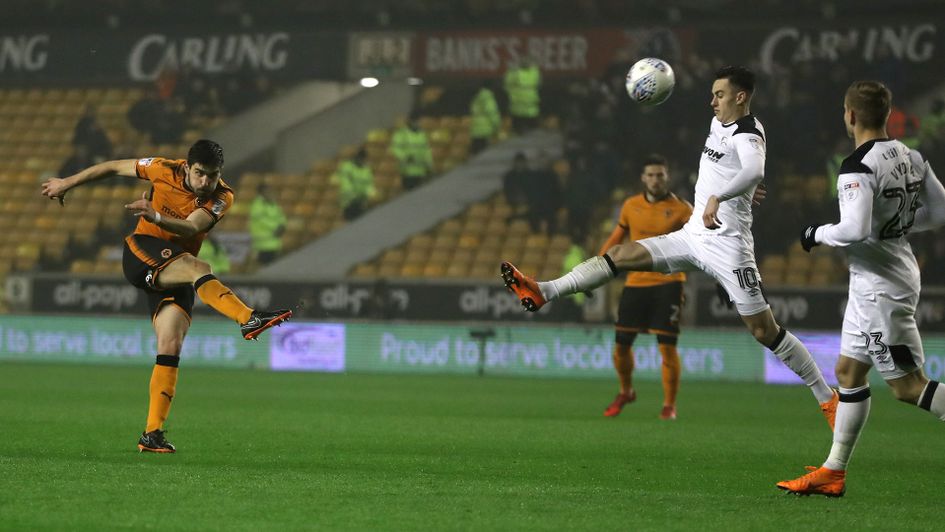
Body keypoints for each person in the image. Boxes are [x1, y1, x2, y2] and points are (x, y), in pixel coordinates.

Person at [501, 66, 839, 427]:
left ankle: (826, 396)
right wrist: (735, 189)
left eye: (720, 95)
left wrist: (720, 197)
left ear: (741, 97)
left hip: (728, 246)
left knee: (764, 331)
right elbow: (735, 171)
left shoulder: (748, 130)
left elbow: (754, 169)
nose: (712, 101)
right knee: (619, 255)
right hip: (693, 236)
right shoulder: (719, 125)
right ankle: (543, 291)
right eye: (712, 94)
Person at [40, 139, 293, 454]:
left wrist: (158, 215)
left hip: (176, 268)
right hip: (142, 251)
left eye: (212, 176)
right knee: (198, 265)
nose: (205, 182)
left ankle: (151, 434)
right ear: (187, 167)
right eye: (200, 173)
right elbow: (112, 166)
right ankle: (247, 317)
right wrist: (67, 183)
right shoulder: (162, 168)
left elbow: (190, 228)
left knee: (170, 342)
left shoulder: (222, 197)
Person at [777, 81, 945, 497]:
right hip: (880, 276)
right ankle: (834, 472)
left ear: (850, 115)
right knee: (848, 373)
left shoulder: (858, 165)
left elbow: (854, 230)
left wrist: (815, 233)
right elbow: (940, 211)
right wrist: (899, 225)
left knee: (909, 387)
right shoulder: (912, 157)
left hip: (881, 289)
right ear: (886, 114)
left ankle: (834, 471)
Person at [599, 154, 693, 420]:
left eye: (660, 175)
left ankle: (669, 406)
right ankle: (626, 391)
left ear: (668, 177)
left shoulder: (683, 210)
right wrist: (597, 269)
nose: (655, 180)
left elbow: (699, 246)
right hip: (636, 282)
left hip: (669, 283)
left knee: (666, 347)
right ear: (642, 178)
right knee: (621, 346)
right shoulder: (630, 206)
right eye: (650, 175)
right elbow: (615, 239)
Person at [389, 113, 433, 191]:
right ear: (410, 122)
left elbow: (426, 151)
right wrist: (405, 157)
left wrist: (429, 165)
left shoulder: (422, 134)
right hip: (407, 170)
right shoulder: (401, 133)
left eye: (418, 121)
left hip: (420, 170)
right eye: (414, 121)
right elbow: (395, 149)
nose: (416, 123)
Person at [331, 147, 377, 220]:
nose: (361, 160)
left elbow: (369, 187)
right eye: (359, 158)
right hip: (347, 203)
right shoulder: (346, 166)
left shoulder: (367, 171)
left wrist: (372, 194)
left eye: (363, 159)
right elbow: (334, 179)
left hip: (359, 202)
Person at [249, 182, 287, 265]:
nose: (270, 193)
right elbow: (261, 220)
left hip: (275, 241)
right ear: (261, 193)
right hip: (263, 243)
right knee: (265, 266)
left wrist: (282, 225)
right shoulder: (257, 205)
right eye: (267, 191)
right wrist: (276, 227)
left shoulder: (273, 204)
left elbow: (280, 216)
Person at [504, 56, 541, 134]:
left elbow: (507, 85)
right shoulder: (534, 73)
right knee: (531, 121)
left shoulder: (515, 73)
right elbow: (538, 83)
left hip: (517, 103)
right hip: (530, 103)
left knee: (518, 121)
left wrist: (512, 93)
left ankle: (519, 131)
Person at [469, 79, 501, 154]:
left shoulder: (477, 98)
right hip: (486, 131)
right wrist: (497, 127)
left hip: (475, 131)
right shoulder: (488, 98)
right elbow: (492, 113)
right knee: (485, 154)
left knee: (476, 155)